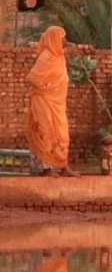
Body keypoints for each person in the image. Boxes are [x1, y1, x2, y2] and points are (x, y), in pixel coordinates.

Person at [26, 26, 80, 177]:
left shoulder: (59, 57)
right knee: (46, 132)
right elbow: (33, 78)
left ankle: (62, 165)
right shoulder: (46, 57)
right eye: (62, 38)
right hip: (43, 101)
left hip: (58, 103)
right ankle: (46, 168)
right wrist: (48, 87)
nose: (64, 41)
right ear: (53, 39)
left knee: (62, 134)